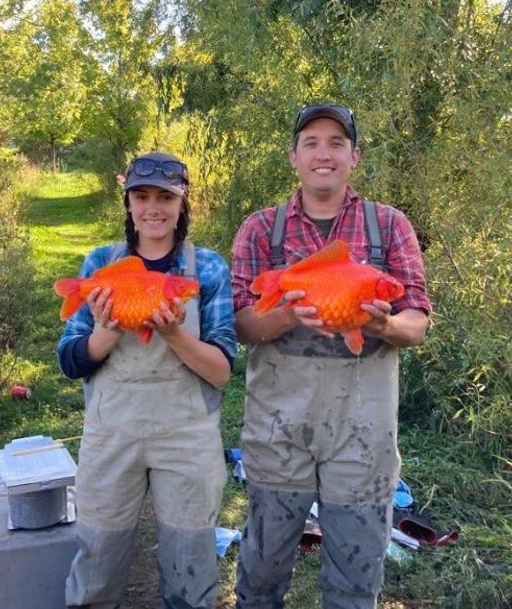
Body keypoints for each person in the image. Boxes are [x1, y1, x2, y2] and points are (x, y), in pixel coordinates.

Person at [230, 103, 430, 609]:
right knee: (261, 572)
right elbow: (241, 325)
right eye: (312, 143)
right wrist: (290, 315)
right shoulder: (260, 229)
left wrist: (384, 324)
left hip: (363, 434)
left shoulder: (390, 225)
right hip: (278, 429)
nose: (324, 154)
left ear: (354, 156)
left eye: (337, 143)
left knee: (356, 581)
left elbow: (417, 322)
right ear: (294, 157)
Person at [58, 151, 236, 609]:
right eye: (142, 197)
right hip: (111, 431)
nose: (153, 208)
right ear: (128, 203)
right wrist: (107, 331)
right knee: (97, 564)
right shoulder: (101, 263)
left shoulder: (208, 268)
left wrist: (175, 334)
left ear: (183, 203)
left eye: (165, 197)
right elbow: (70, 361)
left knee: (191, 567)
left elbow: (221, 372)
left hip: (187, 435)